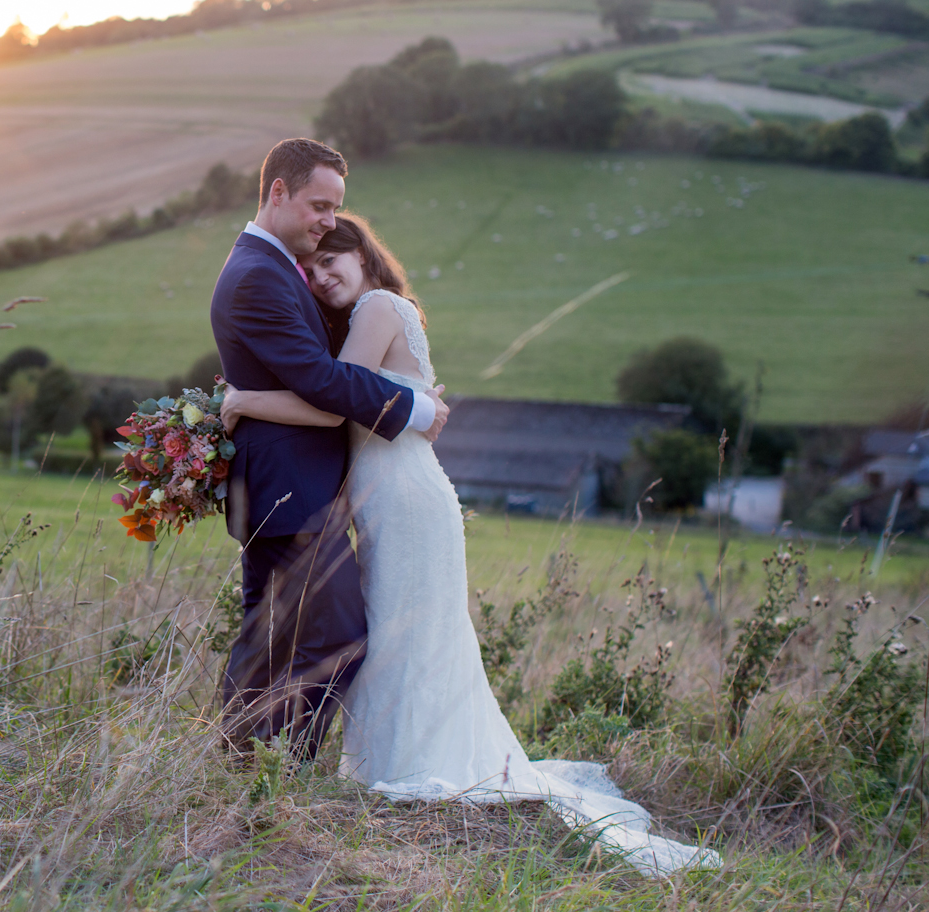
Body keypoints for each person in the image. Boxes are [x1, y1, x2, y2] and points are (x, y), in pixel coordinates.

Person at [220, 214, 720, 876]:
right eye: (310, 270)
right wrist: (416, 406)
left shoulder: (375, 308)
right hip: (392, 499)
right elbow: (353, 396)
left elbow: (332, 403)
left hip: (405, 502)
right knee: (403, 632)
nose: (320, 275)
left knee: (404, 634)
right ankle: (394, 764)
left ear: (363, 254)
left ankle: (411, 768)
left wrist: (243, 400)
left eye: (330, 260)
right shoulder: (371, 314)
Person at [209, 138, 450, 761]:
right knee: (331, 639)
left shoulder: (275, 267)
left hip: (292, 489)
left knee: (273, 634)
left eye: (336, 208)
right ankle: (270, 768)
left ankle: (246, 767)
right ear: (278, 191)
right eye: (320, 205)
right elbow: (320, 381)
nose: (329, 220)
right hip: (288, 491)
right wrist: (415, 406)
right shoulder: (258, 275)